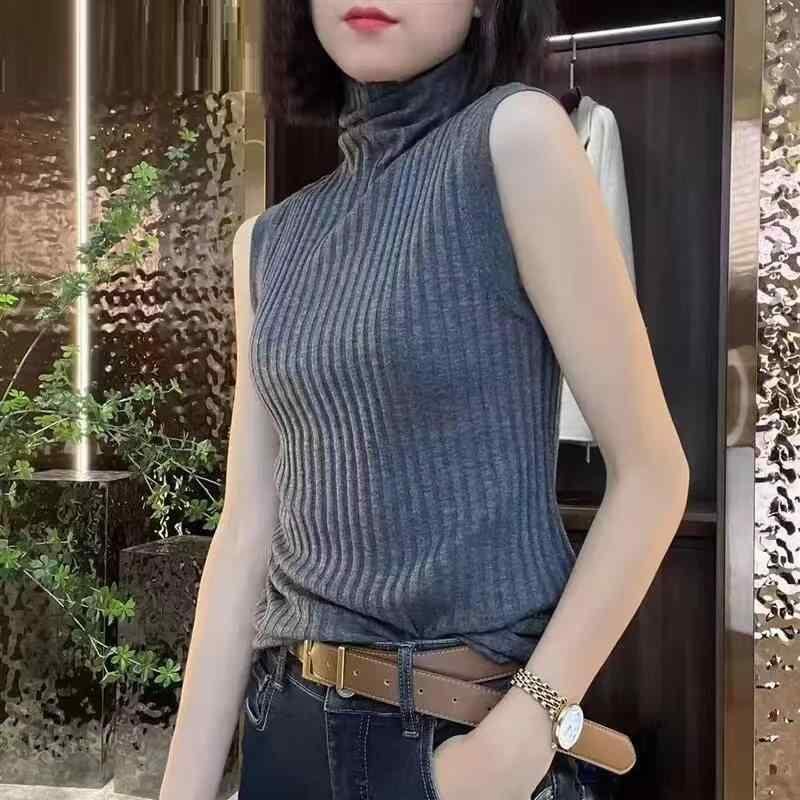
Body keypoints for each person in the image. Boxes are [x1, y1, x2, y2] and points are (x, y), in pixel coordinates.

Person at [159, 2, 690, 799]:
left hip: (454, 735)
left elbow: (653, 474)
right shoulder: (267, 244)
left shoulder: (515, 138)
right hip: (284, 727)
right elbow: (245, 534)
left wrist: (517, 741)